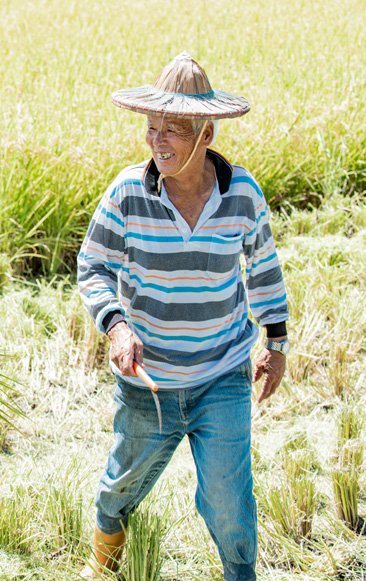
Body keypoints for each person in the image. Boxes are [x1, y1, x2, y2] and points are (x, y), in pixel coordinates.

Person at [77, 53, 290, 581]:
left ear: (207, 132)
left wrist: (277, 341)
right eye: (152, 128)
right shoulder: (127, 192)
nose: (158, 141)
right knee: (118, 491)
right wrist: (117, 325)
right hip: (149, 382)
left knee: (228, 503)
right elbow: (92, 266)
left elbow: (263, 265)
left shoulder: (242, 193)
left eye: (174, 130)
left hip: (222, 374)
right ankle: (105, 566)